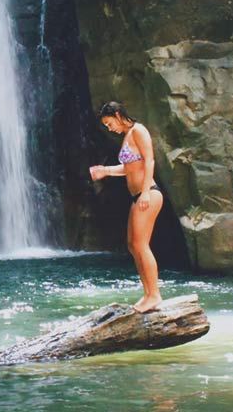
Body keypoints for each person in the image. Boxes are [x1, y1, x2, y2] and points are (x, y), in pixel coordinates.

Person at [89, 101, 164, 313]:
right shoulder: (127, 137)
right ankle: (148, 294)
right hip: (138, 196)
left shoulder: (138, 130)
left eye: (109, 122)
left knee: (141, 245)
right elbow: (129, 168)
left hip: (148, 194)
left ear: (118, 114)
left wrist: (147, 191)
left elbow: (149, 161)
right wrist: (105, 171)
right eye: (105, 125)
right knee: (133, 245)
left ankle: (154, 295)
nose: (108, 128)